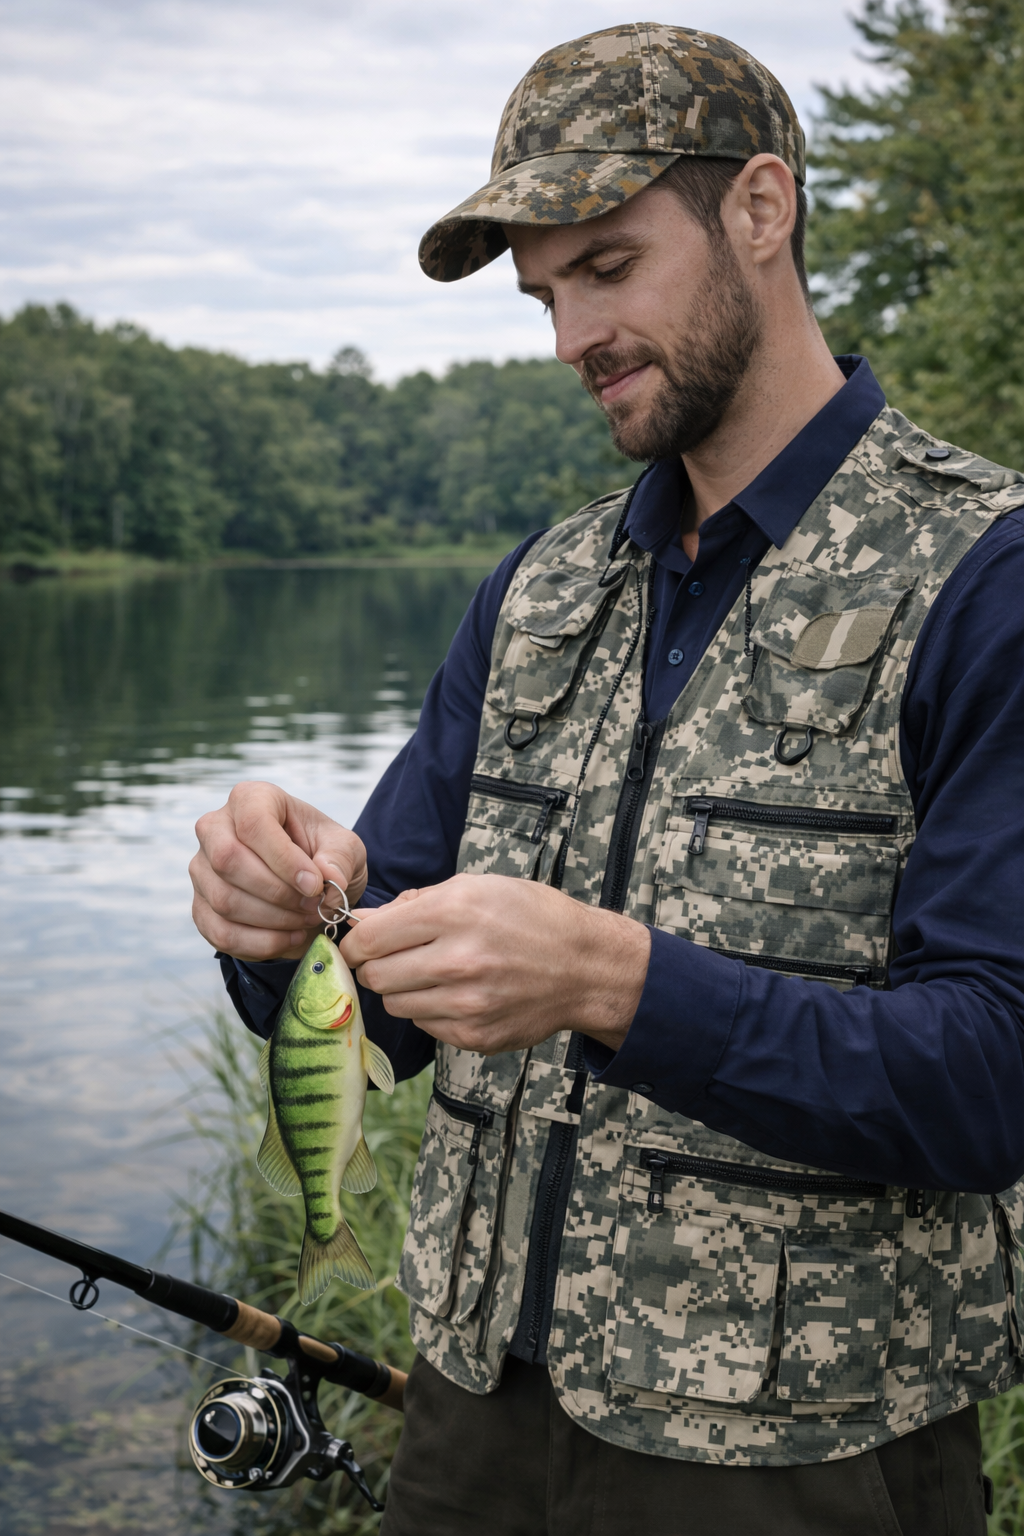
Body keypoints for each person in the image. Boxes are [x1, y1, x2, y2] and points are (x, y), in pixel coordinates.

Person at [189, 24, 1024, 1536]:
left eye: (611, 266)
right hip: (468, 1427)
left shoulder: (989, 579)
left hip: (805, 1462)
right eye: (547, 291)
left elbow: (995, 1075)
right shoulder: (540, 590)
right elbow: (365, 995)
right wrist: (270, 923)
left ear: (760, 211)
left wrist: (622, 983)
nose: (571, 336)